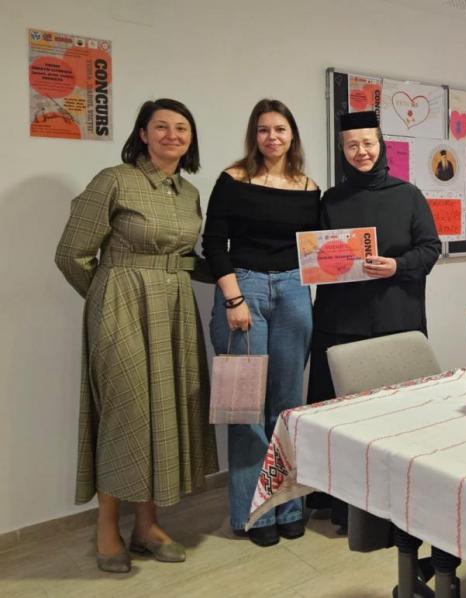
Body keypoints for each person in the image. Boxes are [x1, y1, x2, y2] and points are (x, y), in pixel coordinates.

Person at [55, 98, 217, 573]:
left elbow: (188, 257)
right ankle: (106, 527)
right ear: (142, 134)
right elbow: (71, 253)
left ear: (190, 138)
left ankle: (146, 526)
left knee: (163, 411)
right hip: (122, 306)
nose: (172, 135)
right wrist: (107, 299)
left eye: (181, 128)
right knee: (124, 413)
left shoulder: (188, 192)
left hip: (175, 308)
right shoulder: (114, 180)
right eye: (161, 126)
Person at [307, 110, 441, 528]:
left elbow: (430, 249)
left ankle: (401, 499)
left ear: (380, 145)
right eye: (352, 145)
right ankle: (343, 505)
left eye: (368, 143)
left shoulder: (409, 195)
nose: (361, 152)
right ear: (342, 150)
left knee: (396, 415)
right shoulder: (331, 200)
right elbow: (315, 255)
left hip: (395, 319)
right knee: (343, 418)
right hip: (340, 320)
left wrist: (397, 265)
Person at [201, 99, 320, 547]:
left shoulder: (308, 187)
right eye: (264, 129)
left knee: (287, 406)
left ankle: (288, 507)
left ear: (292, 135)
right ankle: (252, 512)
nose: (273, 137)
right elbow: (214, 243)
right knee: (245, 407)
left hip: (293, 290)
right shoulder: (233, 179)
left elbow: (316, 247)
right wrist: (233, 299)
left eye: (280, 129)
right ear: (255, 135)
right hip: (243, 288)